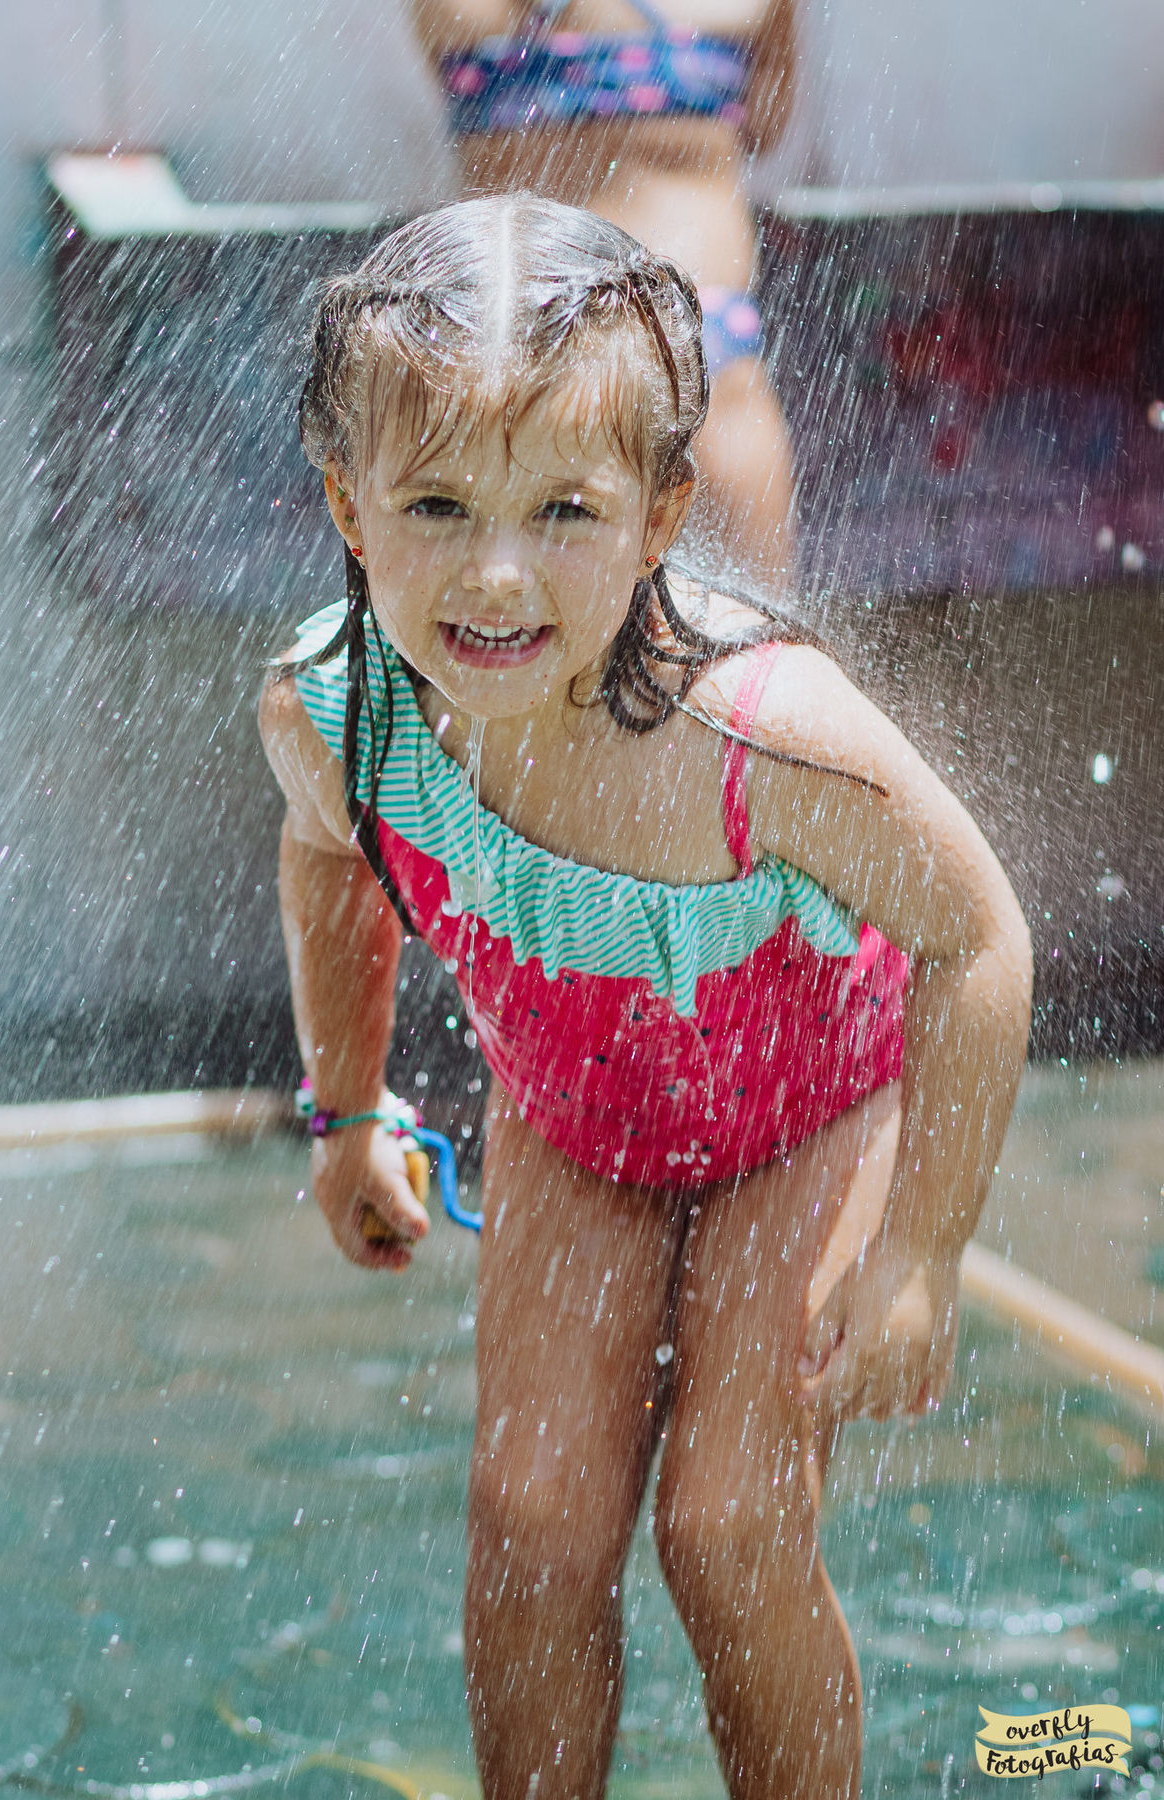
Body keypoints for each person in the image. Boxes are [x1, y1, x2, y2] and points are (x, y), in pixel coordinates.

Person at [259, 195, 1032, 1799]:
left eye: (563, 509)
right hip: (575, 1128)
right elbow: (335, 863)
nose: (495, 569)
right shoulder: (343, 718)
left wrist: (921, 1256)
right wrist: (349, 1112)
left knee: (730, 1523)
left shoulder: (757, 737)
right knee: (533, 1515)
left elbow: (976, 937)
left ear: (664, 511)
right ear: (347, 501)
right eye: (436, 504)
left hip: (805, 1122)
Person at [409, 0, 798, 588]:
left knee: (496, 604)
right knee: (755, 632)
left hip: (511, 321)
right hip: (689, 321)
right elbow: (767, 125)